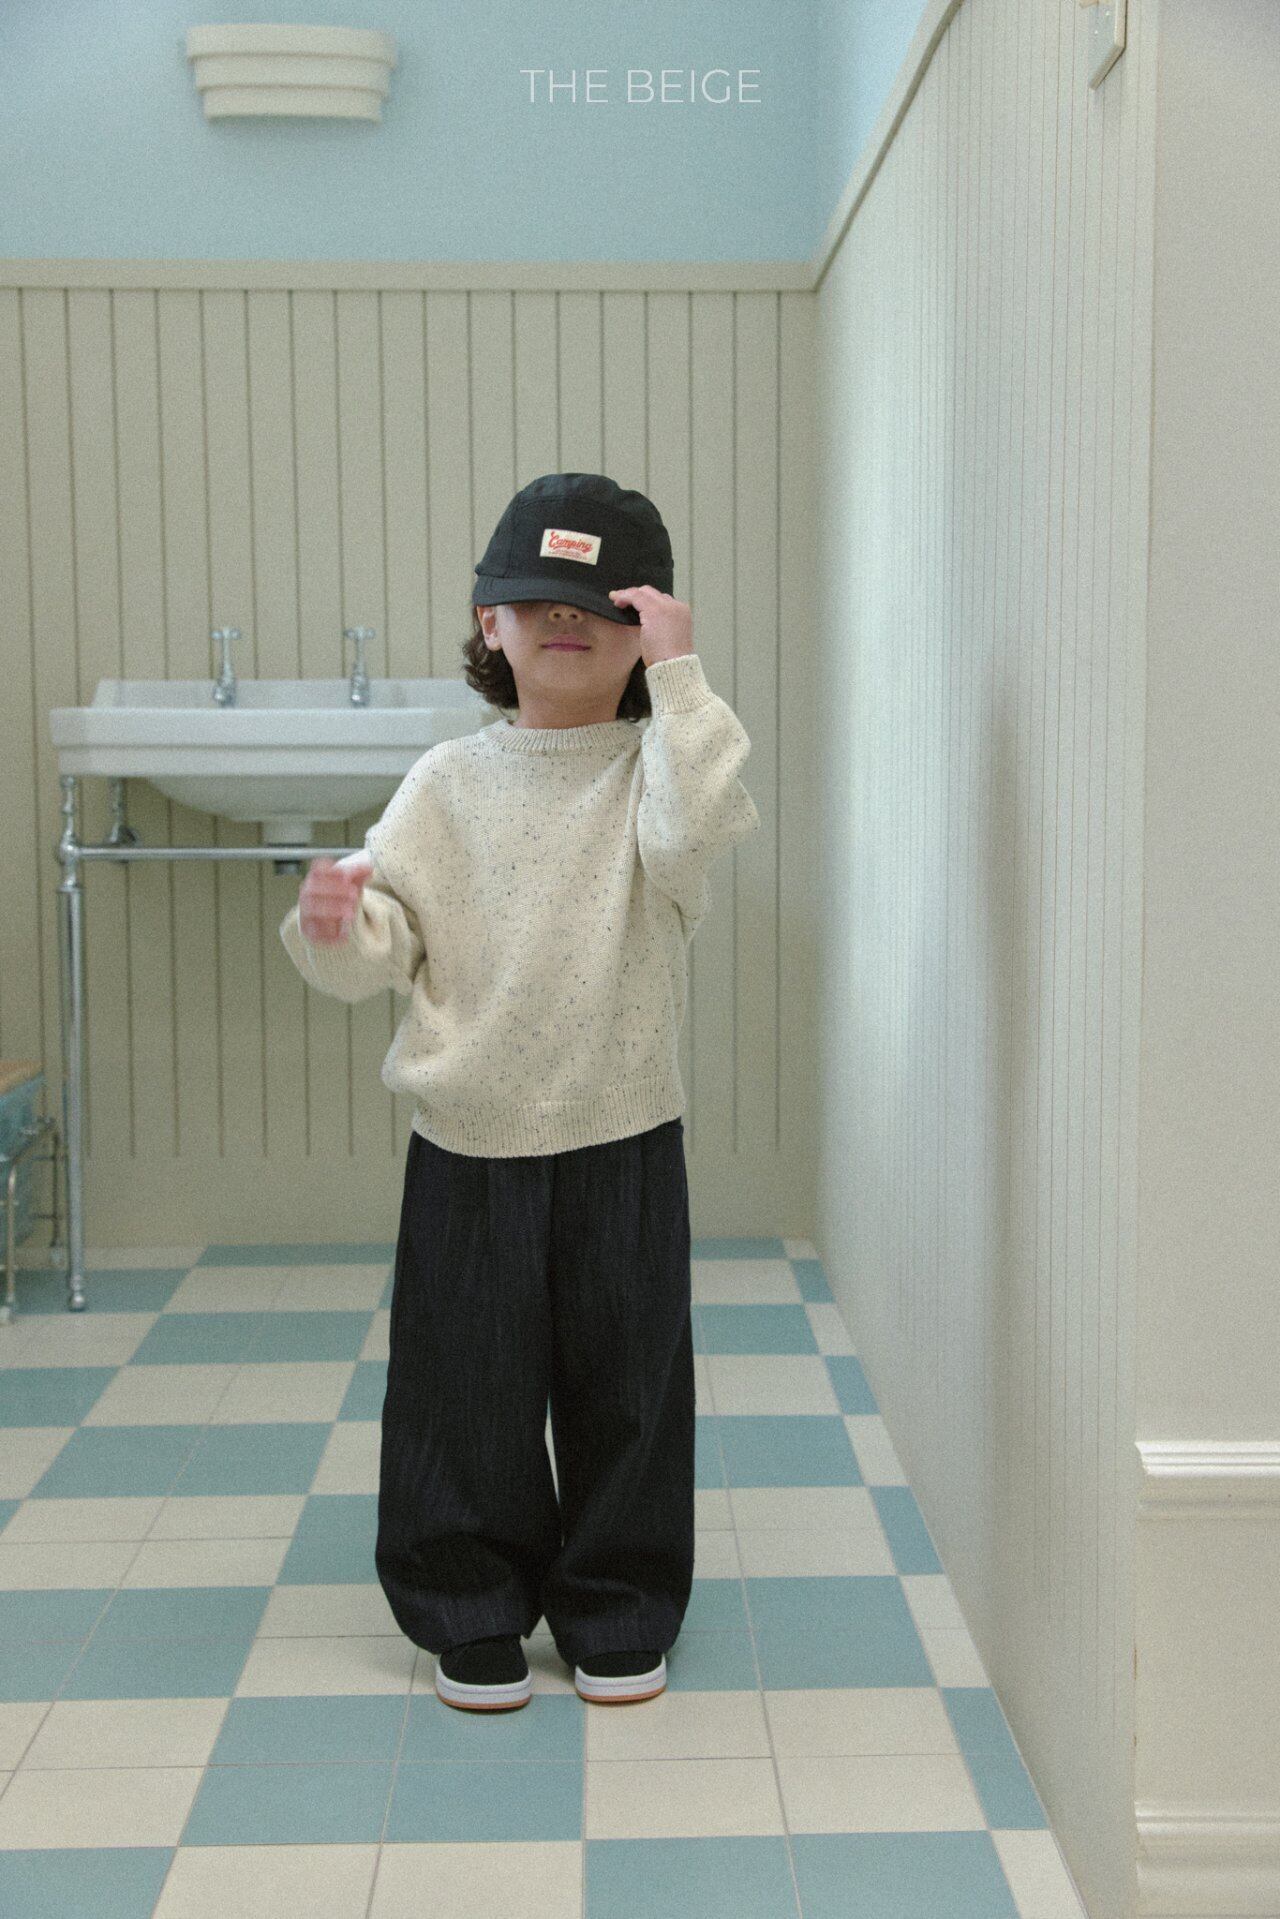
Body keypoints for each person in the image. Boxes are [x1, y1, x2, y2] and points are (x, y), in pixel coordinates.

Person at [279, 472, 760, 1713]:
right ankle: (468, 1598)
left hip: (623, 1130)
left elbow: (696, 829)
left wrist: (682, 676)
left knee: (628, 1388)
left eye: (598, 606)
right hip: (470, 1137)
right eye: (535, 599)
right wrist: (334, 924)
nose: (563, 620)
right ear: (486, 622)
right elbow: (383, 944)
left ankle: (617, 1601)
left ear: (643, 631)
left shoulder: (658, 770)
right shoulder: (444, 782)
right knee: (462, 1392)